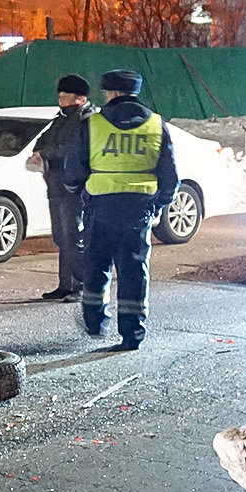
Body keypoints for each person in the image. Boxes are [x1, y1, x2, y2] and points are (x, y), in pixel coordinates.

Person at [63, 69, 176, 351]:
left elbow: (74, 171)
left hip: (100, 208)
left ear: (111, 93)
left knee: (96, 266)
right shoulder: (156, 124)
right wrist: (158, 203)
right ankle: (132, 334)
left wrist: (79, 191)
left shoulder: (93, 124)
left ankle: (94, 322)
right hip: (138, 210)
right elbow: (170, 175)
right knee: (134, 271)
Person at [28, 74, 93, 302]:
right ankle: (65, 284)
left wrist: (45, 153)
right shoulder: (61, 118)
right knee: (61, 237)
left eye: (64, 96)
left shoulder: (86, 121)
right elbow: (41, 141)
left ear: (78, 98)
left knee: (74, 236)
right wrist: (40, 152)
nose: (60, 100)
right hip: (55, 185)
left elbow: (70, 149)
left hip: (73, 188)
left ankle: (80, 286)